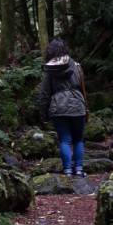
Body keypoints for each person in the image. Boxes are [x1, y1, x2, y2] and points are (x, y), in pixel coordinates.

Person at [37, 38, 88, 178]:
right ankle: (78, 169)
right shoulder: (76, 65)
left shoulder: (49, 69)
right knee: (78, 139)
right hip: (78, 105)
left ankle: (67, 171)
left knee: (65, 140)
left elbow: (44, 93)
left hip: (58, 107)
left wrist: (43, 112)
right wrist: (86, 108)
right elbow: (83, 88)